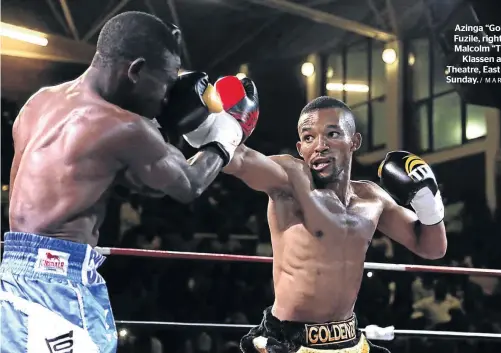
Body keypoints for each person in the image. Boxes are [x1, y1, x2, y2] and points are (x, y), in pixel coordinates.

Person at [0, 11, 259, 353]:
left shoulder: (39, 102)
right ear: (135, 70)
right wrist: (228, 134)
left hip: (12, 275)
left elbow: (138, 184)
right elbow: (188, 184)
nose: (167, 97)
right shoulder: (124, 127)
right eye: (166, 82)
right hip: (58, 282)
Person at [222, 94, 447, 353]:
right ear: (300, 148)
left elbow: (432, 248)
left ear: (355, 141)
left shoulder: (373, 199)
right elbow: (238, 160)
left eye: (332, 134)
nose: (320, 145)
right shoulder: (290, 180)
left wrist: (429, 202)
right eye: (309, 137)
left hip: (349, 338)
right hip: (289, 341)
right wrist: (225, 127)